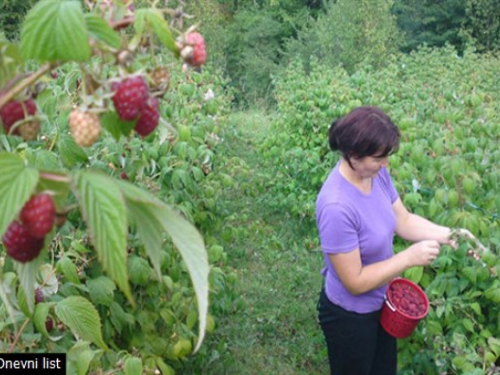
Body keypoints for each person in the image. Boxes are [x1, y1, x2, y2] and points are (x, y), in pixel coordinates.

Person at [315, 106, 460, 375]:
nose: (386, 165)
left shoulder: (375, 174)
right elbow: (355, 282)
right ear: (354, 155)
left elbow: (403, 220)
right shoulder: (336, 206)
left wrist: (450, 235)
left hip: (383, 301)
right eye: (379, 158)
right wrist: (409, 258)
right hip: (350, 316)